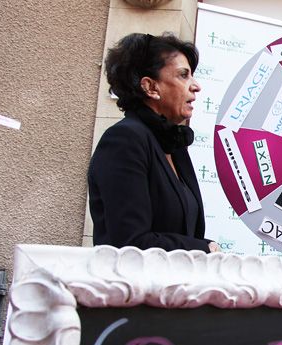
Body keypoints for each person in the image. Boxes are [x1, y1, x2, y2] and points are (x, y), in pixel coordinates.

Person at [88, 33, 219, 252]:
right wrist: (203, 249)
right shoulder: (124, 141)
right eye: (183, 75)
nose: (196, 86)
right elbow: (131, 244)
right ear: (150, 87)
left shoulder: (173, 146)